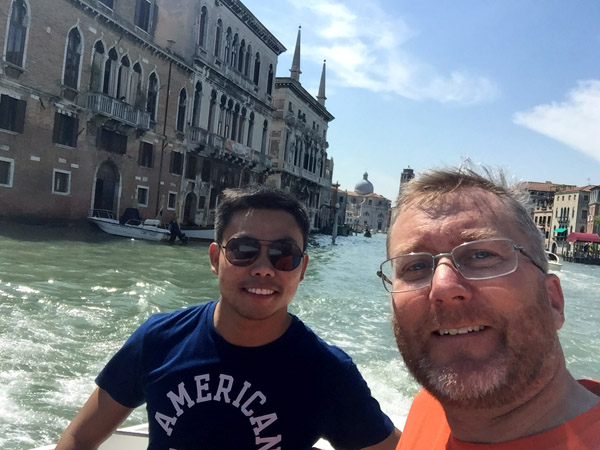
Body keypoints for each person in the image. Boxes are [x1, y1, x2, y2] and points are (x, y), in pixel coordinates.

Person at [56, 185, 400, 450]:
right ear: (215, 258)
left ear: (302, 269)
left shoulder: (327, 372)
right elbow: (80, 438)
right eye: (243, 250)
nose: (264, 269)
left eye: (284, 255)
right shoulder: (158, 340)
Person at [378, 166, 599, 449]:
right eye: (416, 266)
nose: (443, 286)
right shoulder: (426, 409)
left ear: (553, 300)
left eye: (482, 254)